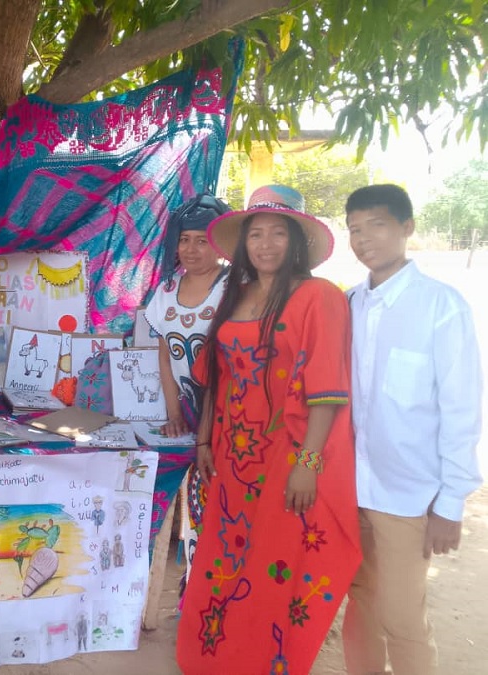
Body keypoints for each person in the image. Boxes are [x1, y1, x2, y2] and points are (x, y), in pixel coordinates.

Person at [176, 185, 361, 674]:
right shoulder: (235, 293)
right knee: (225, 557)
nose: (265, 244)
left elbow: (327, 388)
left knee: (272, 563)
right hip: (231, 456)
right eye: (256, 234)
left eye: (278, 233)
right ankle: (215, 657)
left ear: (296, 241)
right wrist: (203, 440)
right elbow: (215, 375)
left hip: (286, 455)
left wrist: (308, 463)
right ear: (244, 243)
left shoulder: (319, 296)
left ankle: (262, 662)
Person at [341, 184, 483, 675]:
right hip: (351, 489)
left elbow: (461, 409)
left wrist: (451, 502)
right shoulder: (349, 304)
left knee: (402, 617)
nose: (364, 239)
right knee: (360, 603)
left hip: (408, 494)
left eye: (376, 225)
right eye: (354, 229)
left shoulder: (441, 306)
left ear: (407, 228)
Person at [144, 192, 231, 437]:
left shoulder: (235, 286)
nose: (190, 249)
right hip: (190, 410)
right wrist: (175, 416)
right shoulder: (166, 290)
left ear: (219, 246)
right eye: (184, 239)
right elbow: (165, 359)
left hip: (230, 412)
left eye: (202, 241)